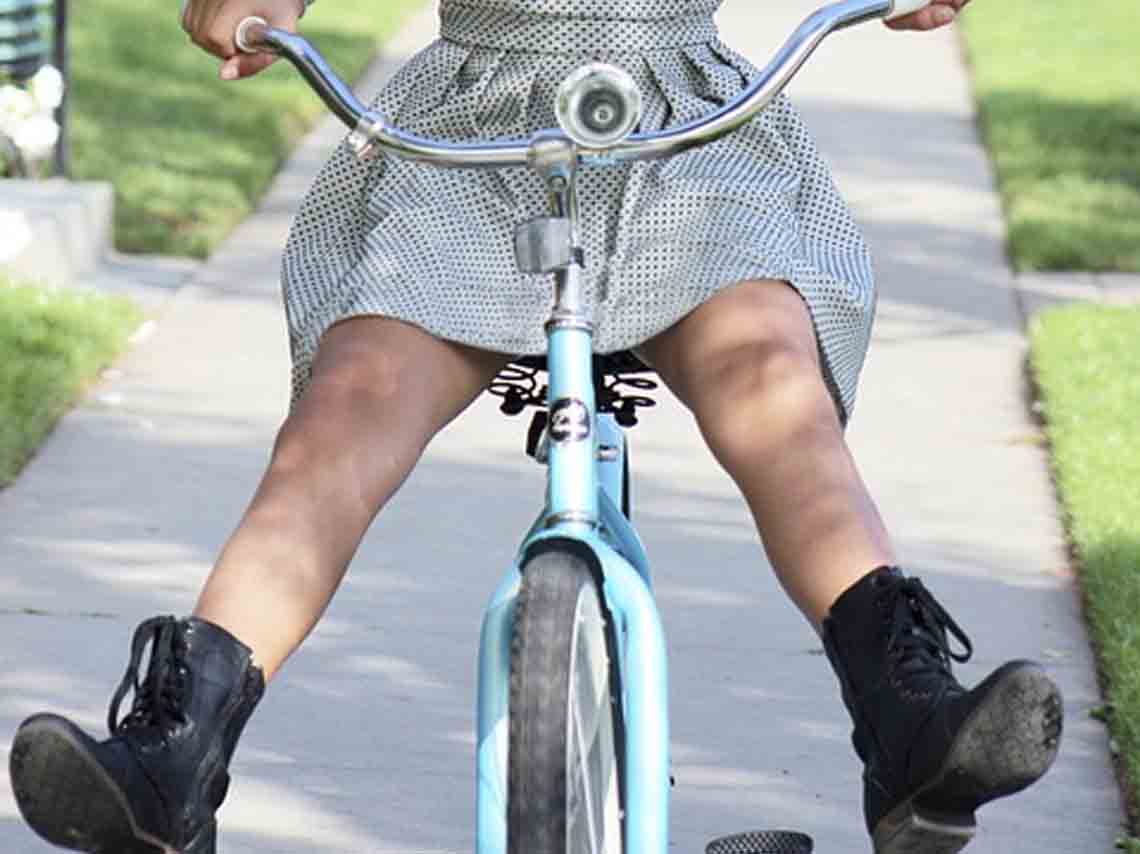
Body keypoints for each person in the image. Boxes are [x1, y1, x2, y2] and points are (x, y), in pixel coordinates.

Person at [8, 0, 1063, 852]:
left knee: (769, 375)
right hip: (473, 128)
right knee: (350, 404)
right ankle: (173, 758)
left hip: (686, 129)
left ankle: (907, 711)